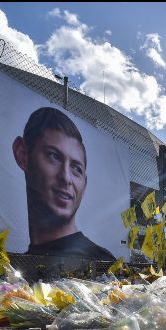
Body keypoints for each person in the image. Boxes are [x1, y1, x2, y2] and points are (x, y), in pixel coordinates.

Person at [13, 107, 115, 261]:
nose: (66, 178)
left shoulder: (101, 261)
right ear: (23, 155)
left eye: (76, 168)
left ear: (84, 184)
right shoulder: (15, 266)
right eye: (54, 156)